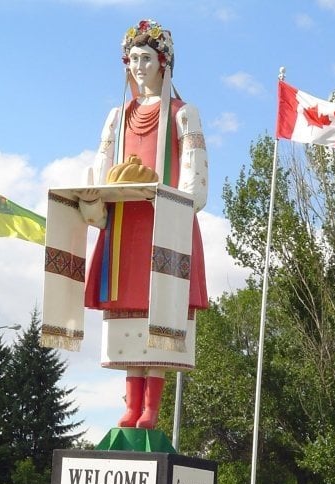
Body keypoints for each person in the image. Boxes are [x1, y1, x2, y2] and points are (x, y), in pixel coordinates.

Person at [77, 19, 209, 429]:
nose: (138, 66)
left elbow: (194, 172)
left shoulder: (183, 114)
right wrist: (93, 198)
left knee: (160, 309)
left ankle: (152, 405)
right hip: (124, 228)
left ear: (163, 62)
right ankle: (131, 403)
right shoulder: (117, 117)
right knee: (129, 307)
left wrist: (177, 204)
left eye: (146, 58)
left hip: (162, 224)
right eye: (132, 58)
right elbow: (101, 168)